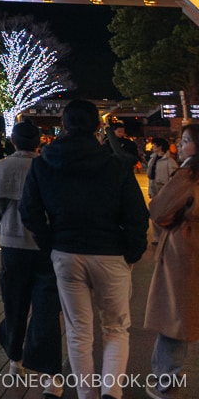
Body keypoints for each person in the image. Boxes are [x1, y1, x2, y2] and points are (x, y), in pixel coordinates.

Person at [20, 99, 149, 399]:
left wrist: (50, 243)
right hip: (110, 253)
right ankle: (111, 392)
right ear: (97, 126)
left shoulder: (43, 162)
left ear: (64, 124)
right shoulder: (115, 164)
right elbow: (137, 214)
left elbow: (30, 211)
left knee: (78, 331)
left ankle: (85, 394)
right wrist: (133, 251)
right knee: (116, 329)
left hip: (66, 251)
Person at [0, 121, 63, 393]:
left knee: (14, 302)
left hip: (13, 243)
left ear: (13, 142)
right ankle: (52, 375)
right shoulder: (49, 166)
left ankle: (15, 357)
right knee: (47, 309)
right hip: (46, 247)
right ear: (39, 141)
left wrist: (6, 216)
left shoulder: (2, 167)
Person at [144, 124, 198, 399]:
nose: (182, 143)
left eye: (186, 140)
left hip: (185, 255)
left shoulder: (189, 174)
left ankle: (166, 381)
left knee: (176, 318)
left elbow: (158, 210)